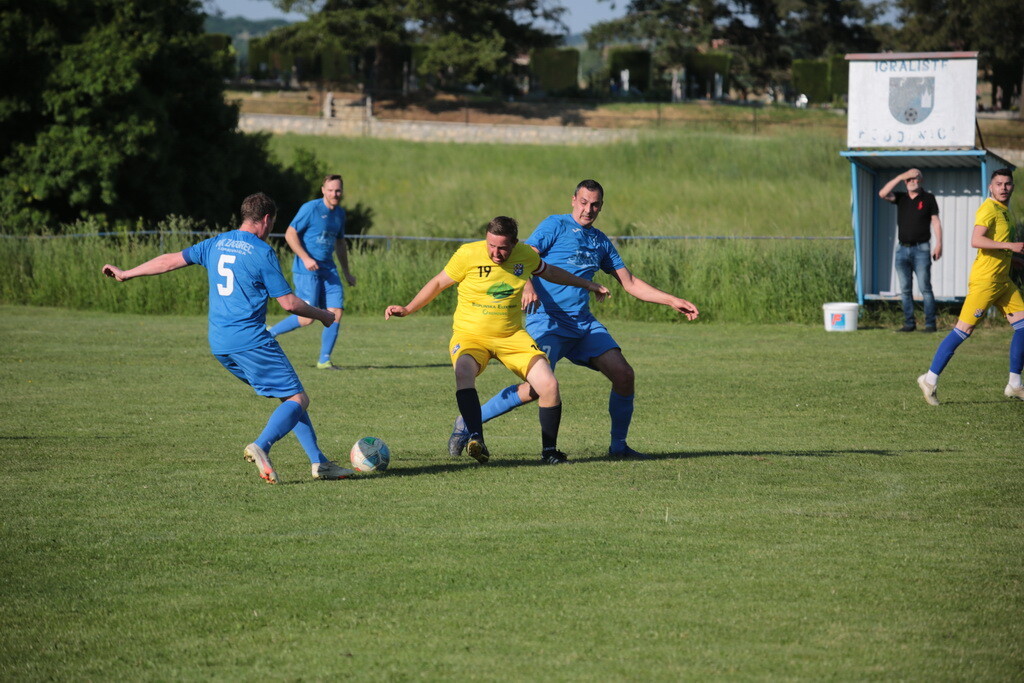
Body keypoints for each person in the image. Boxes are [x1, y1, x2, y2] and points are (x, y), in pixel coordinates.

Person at [102, 193, 354, 483]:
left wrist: (127, 273)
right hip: (251, 340)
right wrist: (323, 315)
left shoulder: (216, 243)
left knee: (289, 396)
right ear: (267, 219)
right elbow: (288, 303)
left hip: (220, 343)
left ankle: (319, 462)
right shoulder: (261, 251)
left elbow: (169, 261)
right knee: (298, 398)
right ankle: (261, 446)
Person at [449, 179, 699, 460]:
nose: (588, 209)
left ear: (601, 206)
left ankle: (619, 448)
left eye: (595, 204)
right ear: (573, 200)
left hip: (582, 324)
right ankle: (469, 421)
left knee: (624, 375)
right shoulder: (554, 225)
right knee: (537, 389)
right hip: (547, 321)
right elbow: (522, 258)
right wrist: (527, 286)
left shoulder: (601, 241)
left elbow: (630, 283)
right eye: (583, 202)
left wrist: (672, 300)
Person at [385, 216, 610, 465]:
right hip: (470, 336)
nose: (495, 252)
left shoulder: (525, 255)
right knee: (463, 372)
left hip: (511, 336)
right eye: (491, 245)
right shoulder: (467, 254)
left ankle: (549, 452)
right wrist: (408, 308)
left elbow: (551, 272)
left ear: (514, 243)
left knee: (549, 385)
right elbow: (439, 282)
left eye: (502, 248)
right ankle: (476, 438)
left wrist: (588, 284)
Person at [917, 168, 1024, 405]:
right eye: (999, 184)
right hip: (985, 282)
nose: (1003, 188)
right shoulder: (988, 208)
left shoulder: (1004, 210)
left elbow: (997, 245)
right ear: (991, 187)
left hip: (1002, 281)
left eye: (1007, 184)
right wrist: (1011, 246)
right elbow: (977, 240)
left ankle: (1015, 385)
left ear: (1013, 187)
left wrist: (1012, 259)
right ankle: (929, 379)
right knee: (963, 330)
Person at [268, 174, 356, 370]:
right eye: (330, 190)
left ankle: (324, 360)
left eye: (338, 190)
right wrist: (306, 258)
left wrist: (347, 272)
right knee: (307, 317)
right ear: (323, 190)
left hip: (329, 269)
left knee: (336, 312)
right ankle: (270, 333)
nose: (334, 194)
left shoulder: (340, 214)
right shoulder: (311, 208)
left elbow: (340, 243)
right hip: (306, 270)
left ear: (342, 191)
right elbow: (290, 234)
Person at [878, 168, 943, 332]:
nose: (912, 181)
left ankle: (930, 324)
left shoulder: (928, 198)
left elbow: (935, 221)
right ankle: (909, 323)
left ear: (921, 181)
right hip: (902, 249)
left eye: (915, 178)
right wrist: (901, 176)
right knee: (905, 289)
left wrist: (939, 244)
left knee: (925, 287)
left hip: (922, 249)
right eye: (909, 179)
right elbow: (882, 193)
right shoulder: (901, 198)